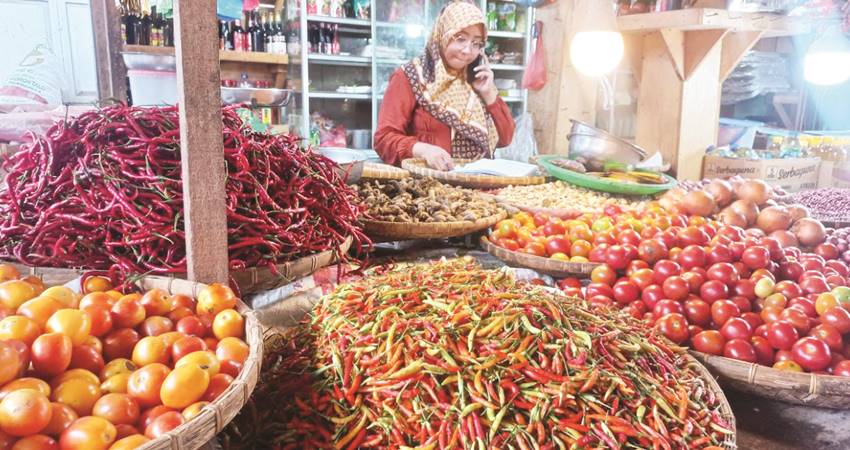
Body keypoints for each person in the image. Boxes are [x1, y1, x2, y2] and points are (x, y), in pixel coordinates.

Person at [373, 1, 516, 170]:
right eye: (460, 39)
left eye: (476, 43)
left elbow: (505, 139)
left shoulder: (476, 78)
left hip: (477, 187)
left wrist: (489, 94)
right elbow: (383, 139)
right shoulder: (412, 76)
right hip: (428, 187)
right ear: (442, 35)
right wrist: (423, 149)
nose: (467, 51)